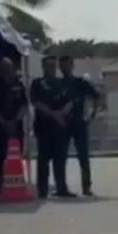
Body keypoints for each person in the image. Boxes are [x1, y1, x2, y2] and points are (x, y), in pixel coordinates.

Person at [30, 55, 74, 198]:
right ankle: (42, 190)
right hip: (44, 126)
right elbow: (36, 102)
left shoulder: (62, 84)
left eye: (53, 66)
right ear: (43, 67)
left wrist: (62, 114)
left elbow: (70, 101)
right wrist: (53, 114)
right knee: (43, 159)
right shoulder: (37, 83)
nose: (51, 68)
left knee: (60, 159)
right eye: (48, 66)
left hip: (61, 127)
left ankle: (61, 188)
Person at [0, 58, 28, 196]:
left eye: (9, 68)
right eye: (4, 68)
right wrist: (4, 122)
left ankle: (16, 187)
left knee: (17, 157)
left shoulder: (19, 84)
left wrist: (15, 121)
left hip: (16, 127)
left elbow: (24, 105)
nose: (7, 71)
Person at [59, 56, 99, 196]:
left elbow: (95, 96)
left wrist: (92, 114)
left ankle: (86, 186)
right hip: (63, 123)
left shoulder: (80, 83)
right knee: (61, 156)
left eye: (68, 65)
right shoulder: (58, 84)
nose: (65, 68)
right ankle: (62, 187)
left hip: (78, 122)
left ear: (72, 66)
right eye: (62, 65)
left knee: (83, 155)